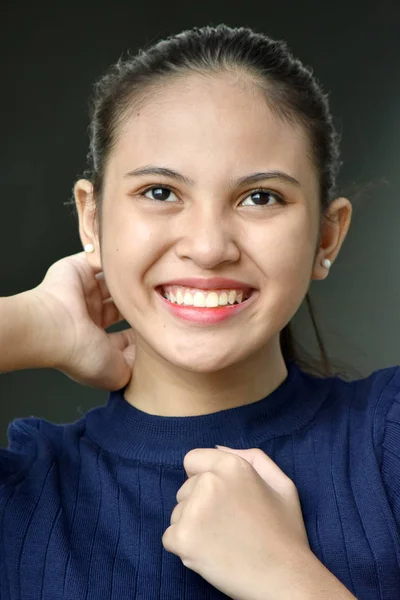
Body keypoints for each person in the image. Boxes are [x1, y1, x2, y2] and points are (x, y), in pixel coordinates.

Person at [0, 23, 398, 600]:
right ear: (92, 220)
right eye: (160, 192)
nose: (209, 246)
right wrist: (32, 325)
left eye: (260, 197)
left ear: (326, 237)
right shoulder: (23, 494)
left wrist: (285, 577)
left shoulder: (389, 438)